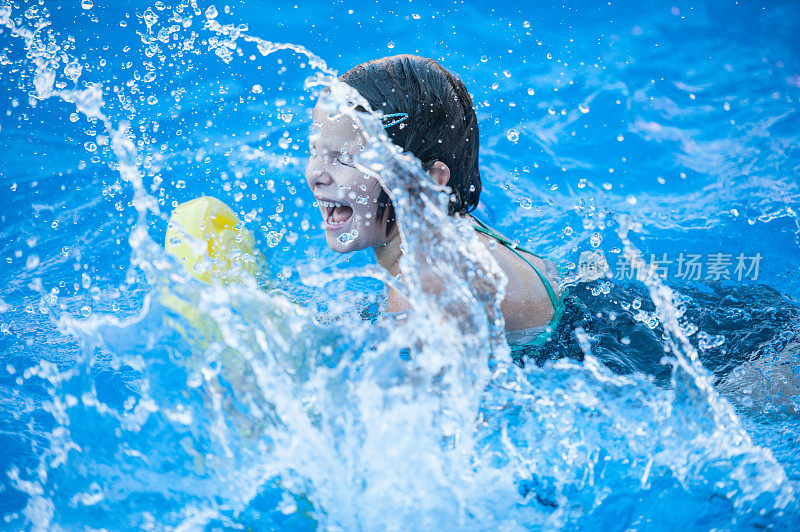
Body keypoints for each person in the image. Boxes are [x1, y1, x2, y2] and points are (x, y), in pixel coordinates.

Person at [304, 54, 564, 353]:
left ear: (426, 179)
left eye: (344, 158)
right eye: (315, 150)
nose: (315, 174)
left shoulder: (421, 290)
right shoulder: (459, 231)